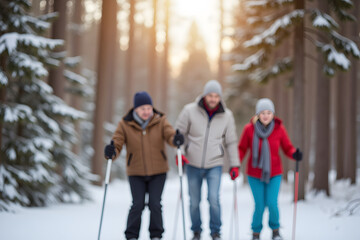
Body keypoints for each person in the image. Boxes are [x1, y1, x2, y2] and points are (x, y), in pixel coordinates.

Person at [104, 91, 184, 240]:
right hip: (136, 172)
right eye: (143, 109)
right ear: (135, 109)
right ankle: (131, 235)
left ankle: (156, 235)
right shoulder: (125, 124)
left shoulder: (160, 120)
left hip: (158, 171)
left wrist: (176, 139)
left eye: (149, 108)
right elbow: (118, 142)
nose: (147, 111)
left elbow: (169, 135)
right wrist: (111, 151)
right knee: (137, 204)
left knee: (155, 204)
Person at [175, 80, 240, 240]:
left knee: (213, 199)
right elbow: (179, 134)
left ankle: (215, 232)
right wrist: (180, 153)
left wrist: (235, 165)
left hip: (215, 164)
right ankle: (196, 231)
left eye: (216, 96)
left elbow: (231, 141)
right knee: (194, 201)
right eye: (210, 95)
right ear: (205, 95)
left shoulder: (227, 115)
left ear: (220, 98)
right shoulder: (189, 110)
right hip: (192, 163)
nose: (213, 99)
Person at [237, 98, 303, 240]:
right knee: (260, 205)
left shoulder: (279, 129)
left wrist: (294, 154)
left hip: (274, 173)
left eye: (269, 112)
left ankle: (275, 231)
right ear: (257, 115)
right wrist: (235, 164)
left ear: (273, 114)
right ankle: (256, 232)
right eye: (262, 113)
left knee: (272, 203)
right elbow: (242, 149)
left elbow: (287, 147)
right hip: (254, 174)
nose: (266, 115)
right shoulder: (249, 129)